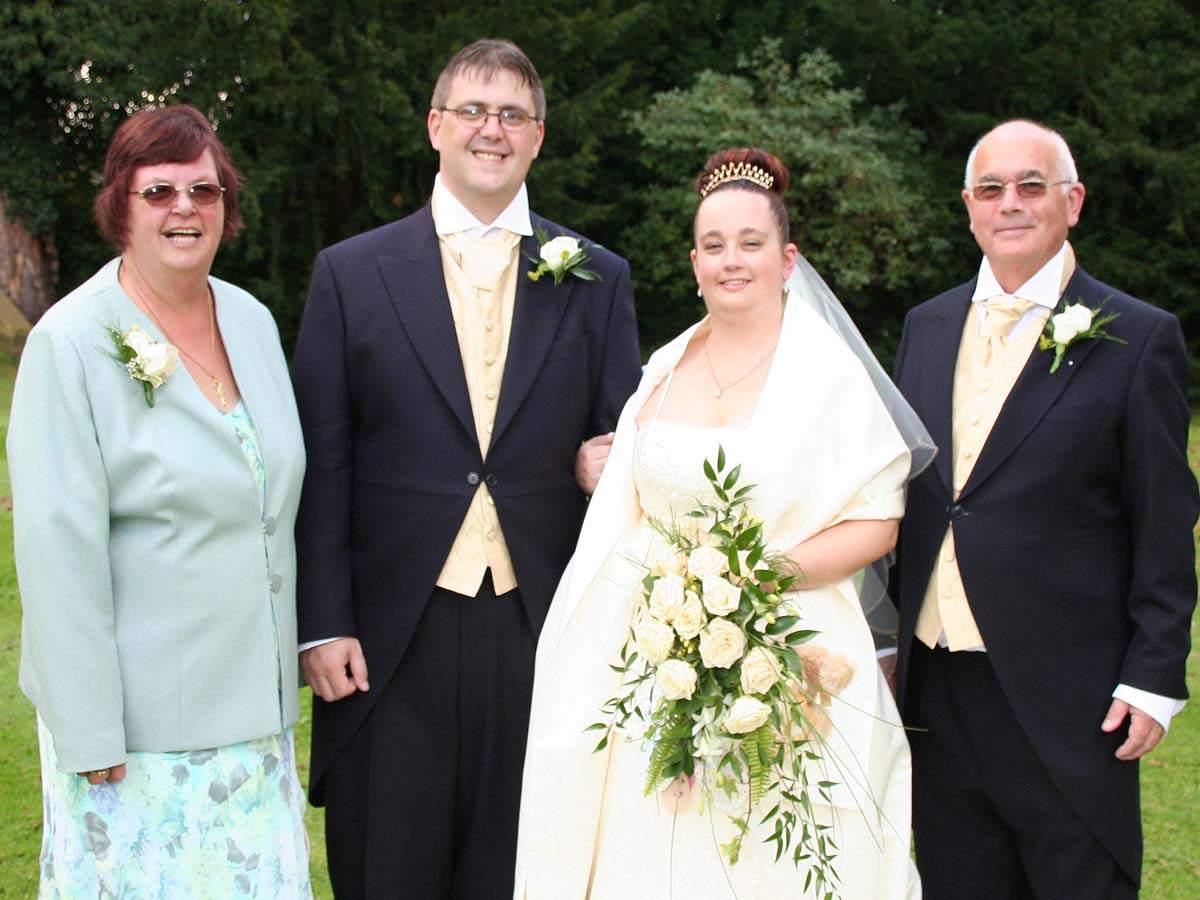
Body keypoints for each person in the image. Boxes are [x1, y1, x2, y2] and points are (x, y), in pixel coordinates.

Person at [514, 148, 928, 899]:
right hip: (653, 652)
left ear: (787, 258)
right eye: (713, 245)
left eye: (750, 242)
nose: (731, 260)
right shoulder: (666, 366)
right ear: (694, 263)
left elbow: (878, 523)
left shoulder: (828, 375)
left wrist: (758, 581)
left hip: (791, 651)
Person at [291, 38, 641, 899]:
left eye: (513, 115)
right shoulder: (350, 273)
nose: (493, 129)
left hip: (538, 627)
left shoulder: (597, 278)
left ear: (538, 137)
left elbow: (623, 450)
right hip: (389, 634)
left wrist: (599, 466)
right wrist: (323, 623)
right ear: (436, 126)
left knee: (521, 870)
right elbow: (323, 462)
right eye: (474, 111)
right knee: (389, 867)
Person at [7, 104, 310, 898]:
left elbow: (273, 501)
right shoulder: (70, 342)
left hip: (255, 719)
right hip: (136, 739)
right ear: (121, 205)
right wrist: (87, 725)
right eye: (160, 191)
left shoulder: (250, 320)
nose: (185, 208)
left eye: (204, 191)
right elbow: (56, 547)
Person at [892, 119, 1198, 899]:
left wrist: (1153, 676)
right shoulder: (925, 327)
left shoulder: (1138, 337)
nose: (1011, 203)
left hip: (1068, 694)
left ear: (1073, 201)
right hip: (937, 688)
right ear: (969, 205)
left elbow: (1164, 522)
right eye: (991, 188)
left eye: (1032, 186)